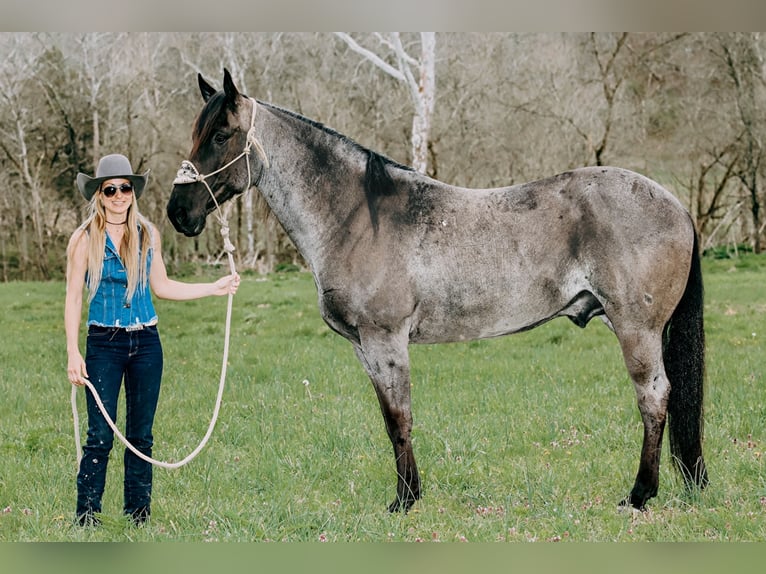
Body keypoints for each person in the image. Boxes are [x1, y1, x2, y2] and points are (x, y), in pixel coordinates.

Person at [65, 154, 240, 526]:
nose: (118, 196)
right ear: (98, 193)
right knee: (100, 435)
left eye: (124, 188)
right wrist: (72, 352)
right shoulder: (82, 240)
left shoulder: (147, 235)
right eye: (110, 189)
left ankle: (138, 514)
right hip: (103, 345)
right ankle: (87, 516)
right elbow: (73, 299)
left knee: (141, 435)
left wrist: (214, 287)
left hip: (146, 344)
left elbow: (161, 286)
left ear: (133, 191)